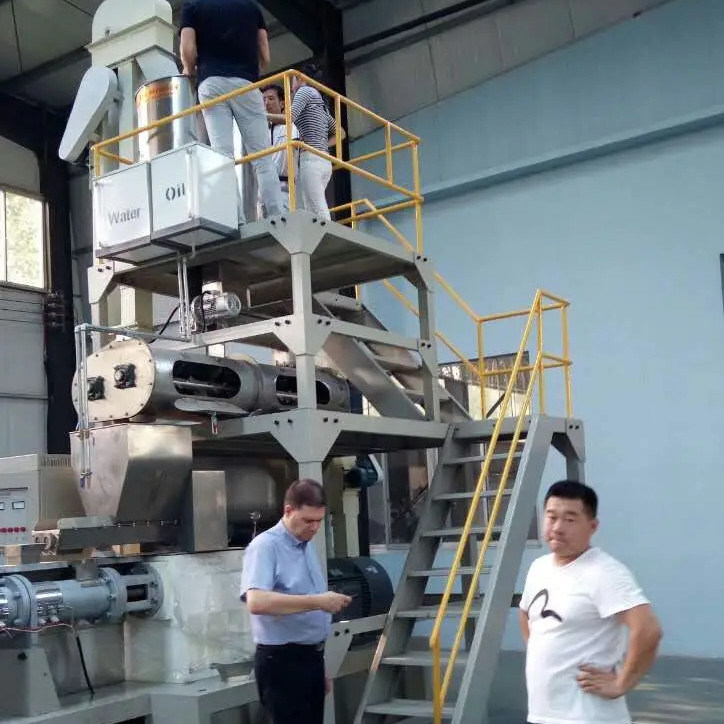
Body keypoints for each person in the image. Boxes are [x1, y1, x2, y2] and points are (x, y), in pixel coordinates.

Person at [519, 480, 662, 724]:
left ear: (592, 526)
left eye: (570, 519)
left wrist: (621, 683)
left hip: (588, 716)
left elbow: (648, 629)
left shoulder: (605, 572)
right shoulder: (539, 568)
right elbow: (526, 613)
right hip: (543, 714)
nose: (558, 527)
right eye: (551, 517)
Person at [240, 479, 352, 724]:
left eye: (319, 521)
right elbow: (256, 601)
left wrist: (319, 666)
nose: (314, 527)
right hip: (282, 662)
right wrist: (318, 602)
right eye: (308, 520)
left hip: (311, 658)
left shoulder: (305, 545)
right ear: (288, 511)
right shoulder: (266, 547)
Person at [180, 0, 283, 223]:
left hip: (211, 84)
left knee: (223, 155)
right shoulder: (252, 7)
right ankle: (277, 214)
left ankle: (235, 218)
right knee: (262, 156)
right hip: (246, 84)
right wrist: (249, 70)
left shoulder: (193, 6)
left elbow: (187, 48)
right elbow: (265, 55)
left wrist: (189, 70)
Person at [266, 63, 346, 221]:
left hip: (311, 160)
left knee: (317, 207)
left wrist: (262, 115)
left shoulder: (304, 91)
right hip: (323, 161)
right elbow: (340, 133)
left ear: (300, 78)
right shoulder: (320, 103)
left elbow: (289, 118)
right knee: (312, 208)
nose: (291, 85)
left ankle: (325, 235)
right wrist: (322, 145)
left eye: (293, 80)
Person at [262, 84, 300, 212]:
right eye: (264, 99)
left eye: (271, 98)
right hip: (264, 187)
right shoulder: (262, 131)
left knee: (284, 220)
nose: (266, 103)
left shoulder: (290, 126)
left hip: (284, 186)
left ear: (282, 103)